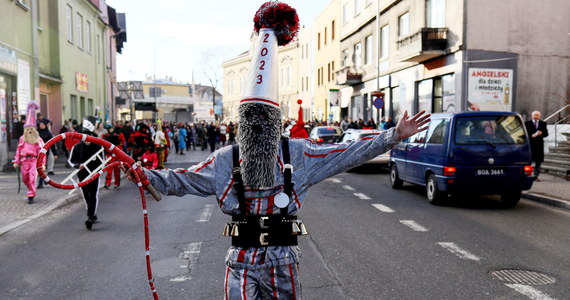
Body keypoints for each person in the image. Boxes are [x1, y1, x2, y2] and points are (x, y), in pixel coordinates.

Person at [127, 3, 430, 298]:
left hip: (282, 264)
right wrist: (146, 175)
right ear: (240, 124)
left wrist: (393, 135)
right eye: (250, 118)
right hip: (241, 264)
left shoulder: (298, 155)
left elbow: (346, 152)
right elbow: (183, 179)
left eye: (264, 117)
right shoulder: (225, 160)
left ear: (276, 122)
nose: (257, 125)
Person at [68, 116, 104, 230]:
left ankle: (90, 217)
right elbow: (70, 161)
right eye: (84, 135)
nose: (86, 138)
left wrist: (97, 171)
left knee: (92, 195)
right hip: (82, 175)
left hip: (94, 175)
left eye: (88, 135)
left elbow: (102, 162)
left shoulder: (98, 146)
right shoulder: (77, 147)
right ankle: (92, 213)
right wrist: (78, 165)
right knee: (86, 196)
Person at [13, 102, 45, 204]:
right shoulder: (22, 139)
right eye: (28, 129)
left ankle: (31, 195)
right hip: (24, 161)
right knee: (25, 178)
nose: (30, 131)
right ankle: (30, 190)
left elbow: (42, 152)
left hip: (34, 161)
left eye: (32, 129)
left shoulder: (37, 140)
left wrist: (42, 164)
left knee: (32, 178)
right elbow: (18, 150)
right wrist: (16, 161)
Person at [524, 111, 549, 181]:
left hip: (539, 145)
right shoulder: (527, 123)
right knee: (529, 161)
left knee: (538, 161)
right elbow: (524, 133)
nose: (535, 116)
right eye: (534, 115)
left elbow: (546, 133)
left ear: (539, 116)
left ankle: (536, 176)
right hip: (530, 145)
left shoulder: (543, 123)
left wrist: (541, 133)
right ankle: (527, 175)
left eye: (537, 115)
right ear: (531, 116)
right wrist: (531, 135)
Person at [37, 122, 59, 186]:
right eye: (40, 124)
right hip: (36, 153)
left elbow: (52, 144)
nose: (41, 126)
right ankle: (45, 179)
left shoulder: (48, 133)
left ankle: (40, 183)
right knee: (38, 168)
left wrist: (55, 154)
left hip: (45, 153)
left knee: (41, 168)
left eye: (42, 124)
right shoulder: (36, 133)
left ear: (45, 125)